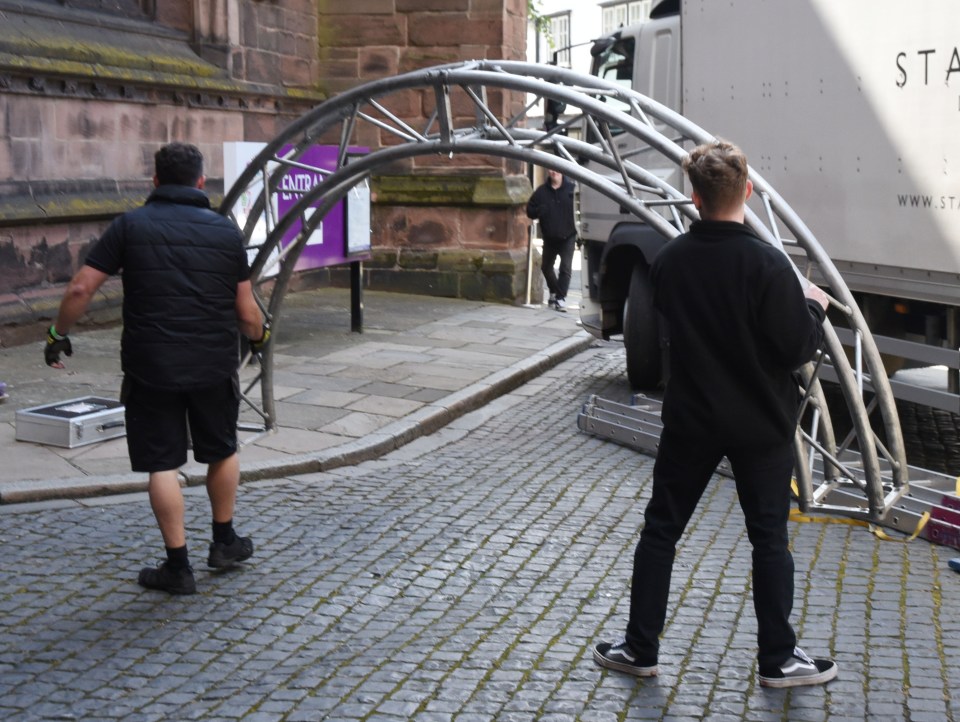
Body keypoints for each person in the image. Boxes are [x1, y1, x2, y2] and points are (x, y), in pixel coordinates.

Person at [592, 140, 837, 688]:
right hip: (760, 425)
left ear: (693, 197)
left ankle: (639, 648)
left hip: (692, 420)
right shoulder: (770, 265)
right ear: (747, 191)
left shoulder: (671, 260)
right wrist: (813, 308)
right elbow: (795, 347)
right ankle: (778, 658)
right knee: (768, 539)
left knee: (661, 532)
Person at [44, 142, 269, 596]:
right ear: (201, 182)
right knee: (222, 449)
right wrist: (261, 340)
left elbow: (80, 288)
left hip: (152, 366)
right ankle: (224, 542)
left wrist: (57, 334)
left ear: (155, 182)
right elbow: (247, 312)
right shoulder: (226, 233)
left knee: (163, 463)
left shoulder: (130, 226)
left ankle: (177, 567)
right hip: (212, 363)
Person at [526, 168, 577, 312]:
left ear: (562, 171)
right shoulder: (541, 192)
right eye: (551, 169)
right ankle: (555, 291)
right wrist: (539, 211)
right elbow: (529, 210)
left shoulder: (572, 190)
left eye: (556, 169)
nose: (553, 172)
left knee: (565, 268)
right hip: (549, 237)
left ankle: (560, 299)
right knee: (546, 267)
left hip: (568, 235)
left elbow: (580, 208)